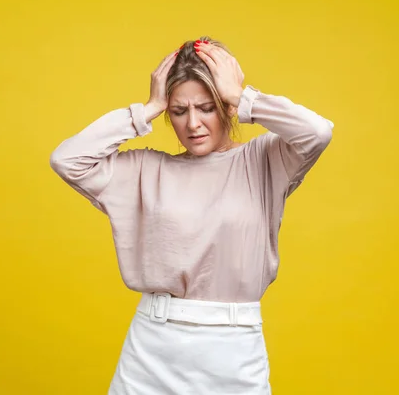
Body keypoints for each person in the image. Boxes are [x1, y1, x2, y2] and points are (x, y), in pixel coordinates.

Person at [49, 36, 334, 394]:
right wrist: (146, 110)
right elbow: (67, 159)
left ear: (226, 107)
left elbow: (318, 132)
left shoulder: (264, 161)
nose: (193, 124)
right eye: (179, 111)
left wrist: (242, 96)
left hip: (233, 351)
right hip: (152, 352)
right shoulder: (145, 170)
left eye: (206, 107)